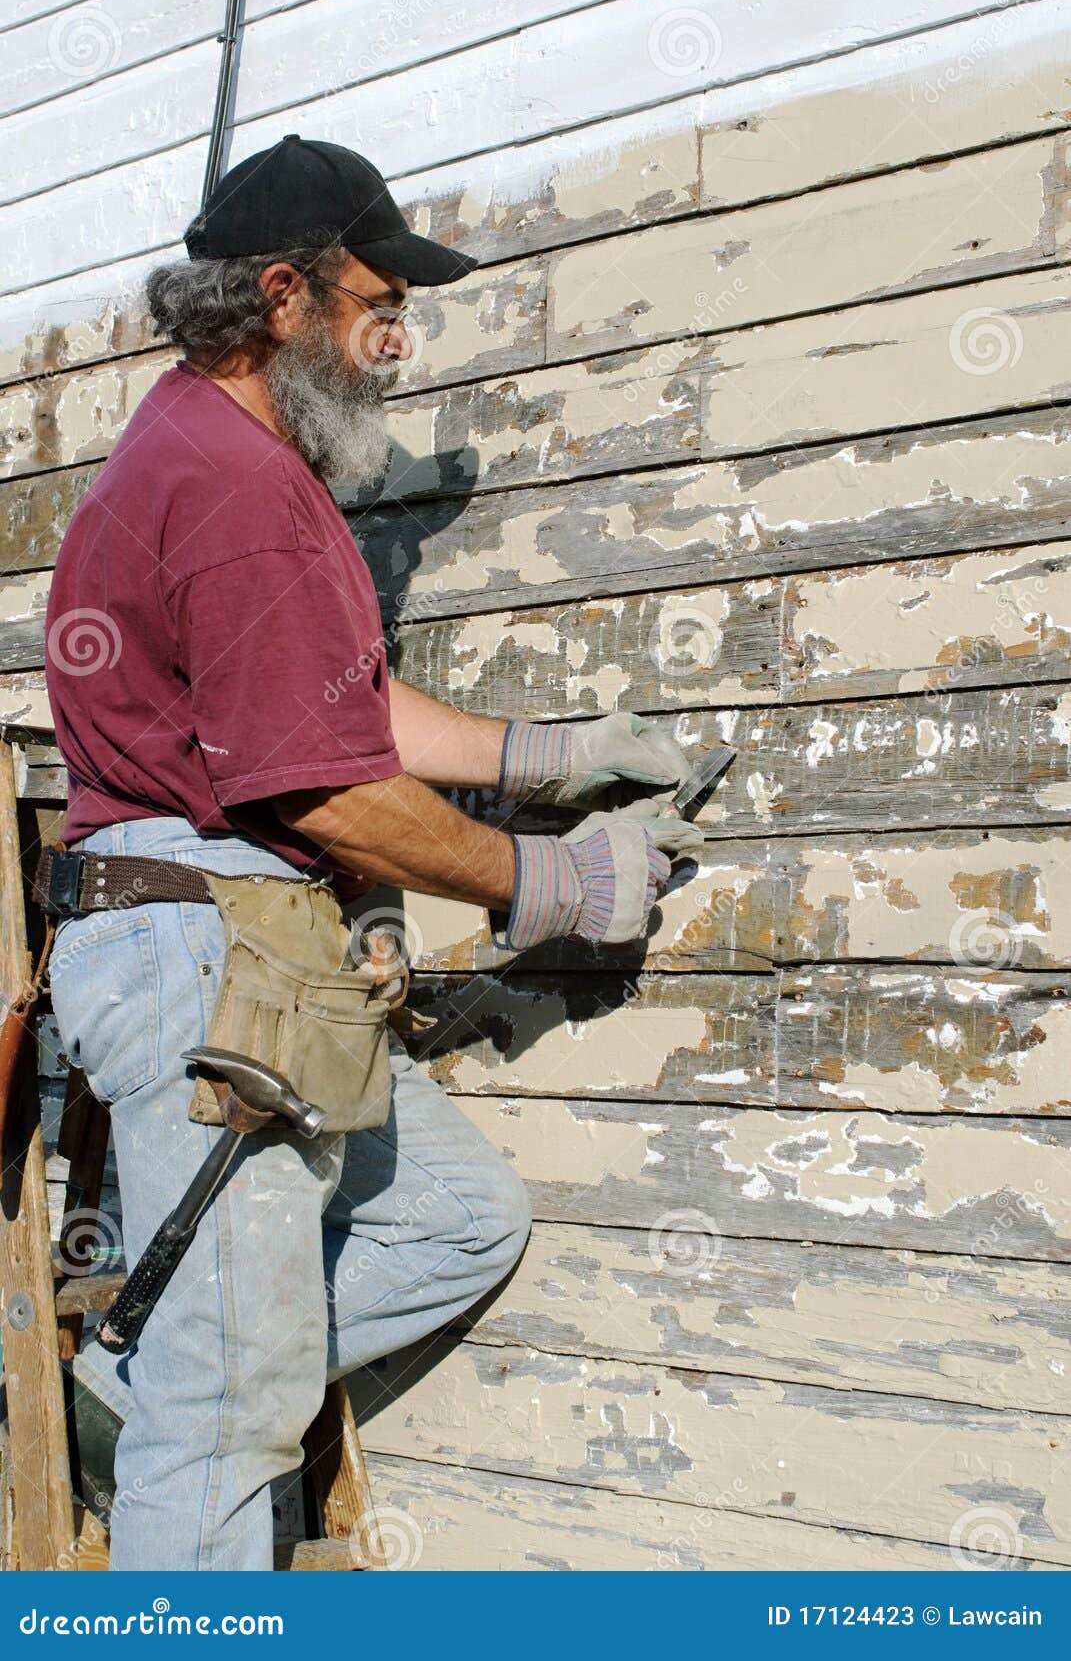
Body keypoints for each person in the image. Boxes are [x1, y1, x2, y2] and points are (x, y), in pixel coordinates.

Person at [43, 134, 703, 1570]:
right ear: (282, 297)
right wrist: (556, 882)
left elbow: (334, 712)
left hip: (241, 954)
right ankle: (184, 1398)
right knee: (229, 1417)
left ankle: (146, 1373)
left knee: (455, 1220)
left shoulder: (212, 453)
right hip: (211, 959)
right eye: (374, 300)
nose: (393, 338)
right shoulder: (234, 486)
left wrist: (553, 752)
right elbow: (316, 786)